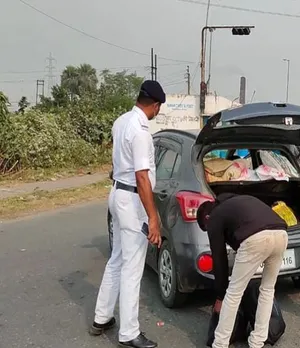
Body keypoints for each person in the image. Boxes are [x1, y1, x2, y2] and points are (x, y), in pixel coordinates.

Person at [89, 80, 166, 348]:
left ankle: (102, 317)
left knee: (118, 259)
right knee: (132, 268)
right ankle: (129, 333)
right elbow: (142, 177)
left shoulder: (121, 121)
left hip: (117, 194)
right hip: (133, 200)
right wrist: (153, 218)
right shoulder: (142, 131)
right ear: (155, 106)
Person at [197, 193, 288, 348]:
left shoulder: (214, 217)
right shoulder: (236, 202)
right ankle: (258, 341)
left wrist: (220, 295)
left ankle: (220, 343)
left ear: (206, 218)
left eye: (206, 229)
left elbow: (219, 259)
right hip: (281, 233)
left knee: (233, 294)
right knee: (267, 289)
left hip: (256, 238)